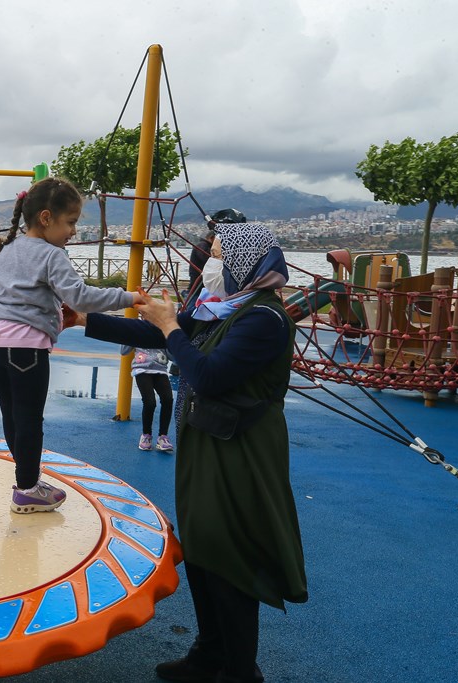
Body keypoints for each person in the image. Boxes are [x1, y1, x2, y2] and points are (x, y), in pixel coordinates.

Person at [64, 219, 307, 683]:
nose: (208, 262)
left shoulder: (262, 318)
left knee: (230, 555)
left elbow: (207, 374)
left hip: (241, 451)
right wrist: (84, 320)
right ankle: (208, 654)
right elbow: (162, 336)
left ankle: (240, 671)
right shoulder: (226, 308)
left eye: (216, 254)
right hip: (210, 443)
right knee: (201, 547)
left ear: (241, 260)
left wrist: (171, 324)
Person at [0, 177, 144, 514]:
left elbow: (2, 296)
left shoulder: (5, 250)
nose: (72, 232)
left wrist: (49, 310)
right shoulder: (51, 255)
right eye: (70, 222)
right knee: (29, 420)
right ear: (45, 218)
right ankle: (26, 489)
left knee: (12, 418)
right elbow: (81, 296)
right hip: (26, 349)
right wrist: (130, 297)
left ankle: (26, 480)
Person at [120, 344, 174, 452]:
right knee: (150, 402)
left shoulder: (162, 330)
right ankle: (146, 435)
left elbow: (172, 356)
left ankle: (163, 436)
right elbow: (124, 351)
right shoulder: (138, 329)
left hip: (160, 369)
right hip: (142, 368)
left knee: (168, 399)